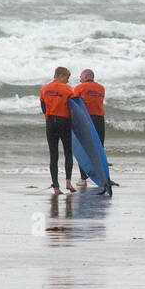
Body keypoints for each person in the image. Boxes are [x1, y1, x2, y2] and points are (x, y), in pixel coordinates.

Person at [40, 67, 76, 195]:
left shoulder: (44, 89)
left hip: (50, 122)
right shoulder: (68, 89)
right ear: (61, 76)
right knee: (68, 152)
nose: (67, 81)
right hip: (64, 122)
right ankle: (68, 181)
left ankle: (56, 187)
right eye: (67, 78)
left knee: (53, 155)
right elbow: (74, 107)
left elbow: (43, 108)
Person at [72, 69, 106, 189]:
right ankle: (102, 176)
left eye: (81, 76)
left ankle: (83, 179)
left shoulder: (79, 88)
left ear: (86, 77)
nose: (80, 78)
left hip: (86, 119)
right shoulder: (101, 88)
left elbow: (73, 103)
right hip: (99, 119)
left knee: (83, 148)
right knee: (99, 147)